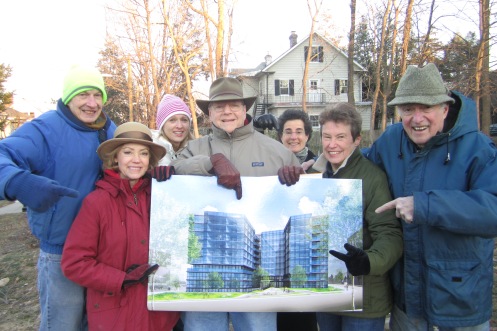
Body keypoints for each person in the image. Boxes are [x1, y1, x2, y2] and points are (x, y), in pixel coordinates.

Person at [368, 63, 497, 330]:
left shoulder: (477, 148)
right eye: (407, 109)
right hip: (407, 295)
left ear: (445, 108)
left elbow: (492, 211)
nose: (417, 119)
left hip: (460, 295)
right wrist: (318, 166)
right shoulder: (391, 140)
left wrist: (425, 205)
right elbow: (359, 171)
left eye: (426, 108)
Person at [171, 77, 303, 331]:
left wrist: (295, 177)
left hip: (254, 261)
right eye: (219, 106)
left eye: (233, 105)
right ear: (210, 113)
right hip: (207, 258)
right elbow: (172, 169)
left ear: (245, 109)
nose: (227, 111)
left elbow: (302, 192)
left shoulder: (276, 152)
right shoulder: (194, 148)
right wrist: (210, 162)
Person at [0, 64, 116, 330]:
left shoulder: (110, 131)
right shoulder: (44, 130)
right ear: (67, 97)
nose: (91, 103)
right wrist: (18, 182)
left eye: (97, 95)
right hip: (61, 253)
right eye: (82, 94)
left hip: (104, 254)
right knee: (63, 325)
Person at [61, 122, 179, 330]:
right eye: (128, 152)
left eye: (143, 153)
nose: (136, 160)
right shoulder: (97, 202)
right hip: (113, 315)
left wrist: (175, 181)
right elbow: (74, 263)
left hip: (157, 316)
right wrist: (120, 279)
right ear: (116, 157)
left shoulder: (161, 197)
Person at [315, 103, 403, 331]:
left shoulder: (372, 178)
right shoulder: (317, 177)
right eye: (327, 137)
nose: (332, 144)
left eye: (341, 137)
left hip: (365, 298)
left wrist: (369, 261)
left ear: (356, 140)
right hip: (326, 297)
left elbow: (389, 234)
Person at [275, 108, 318, 330]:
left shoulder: (320, 165)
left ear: (307, 135)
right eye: (288, 131)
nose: (294, 137)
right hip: (279, 239)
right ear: (280, 136)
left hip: (305, 243)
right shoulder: (271, 165)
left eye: (299, 131)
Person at [153, 94, 194, 165]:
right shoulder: (152, 153)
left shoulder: (195, 150)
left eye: (184, 120)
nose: (179, 126)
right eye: (172, 120)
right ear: (162, 125)